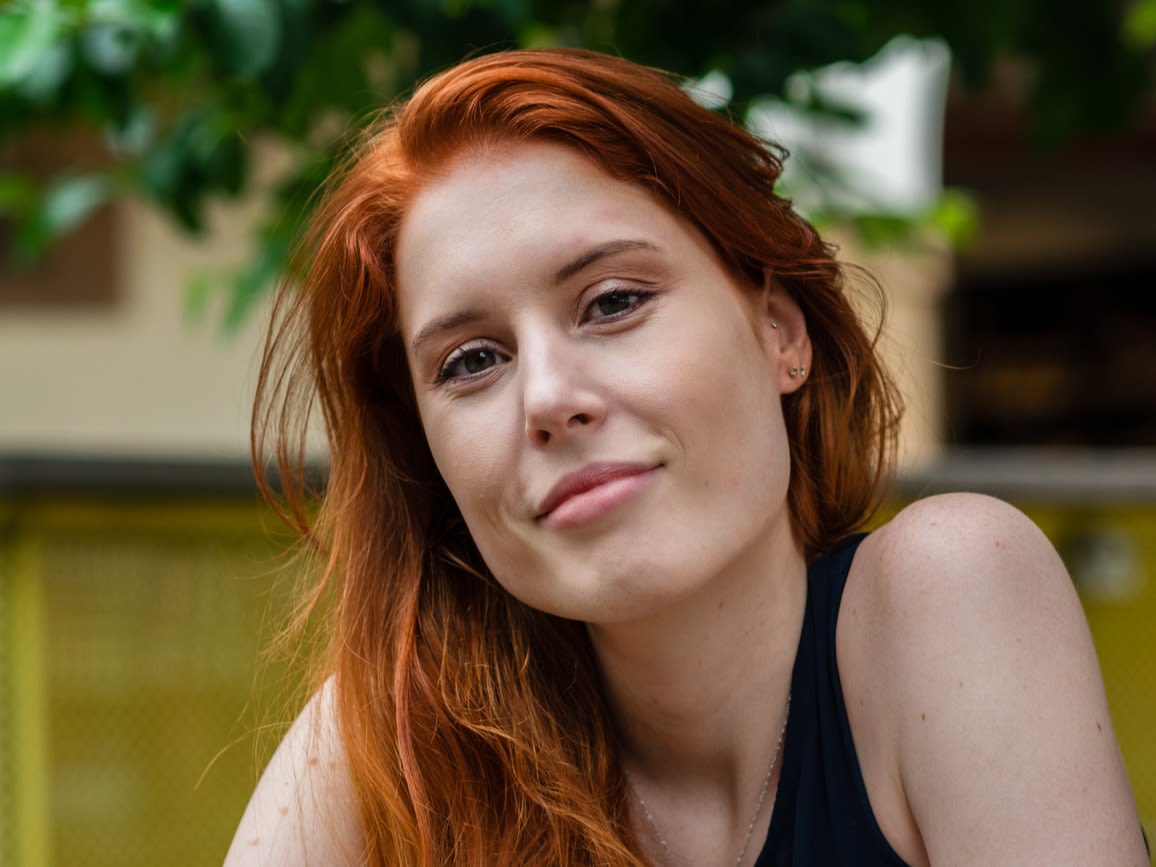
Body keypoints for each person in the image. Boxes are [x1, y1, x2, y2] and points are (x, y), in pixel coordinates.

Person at [223, 48, 1148, 867]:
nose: (547, 398)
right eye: (471, 361)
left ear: (778, 331)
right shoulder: (398, 748)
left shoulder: (947, 591)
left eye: (613, 302)